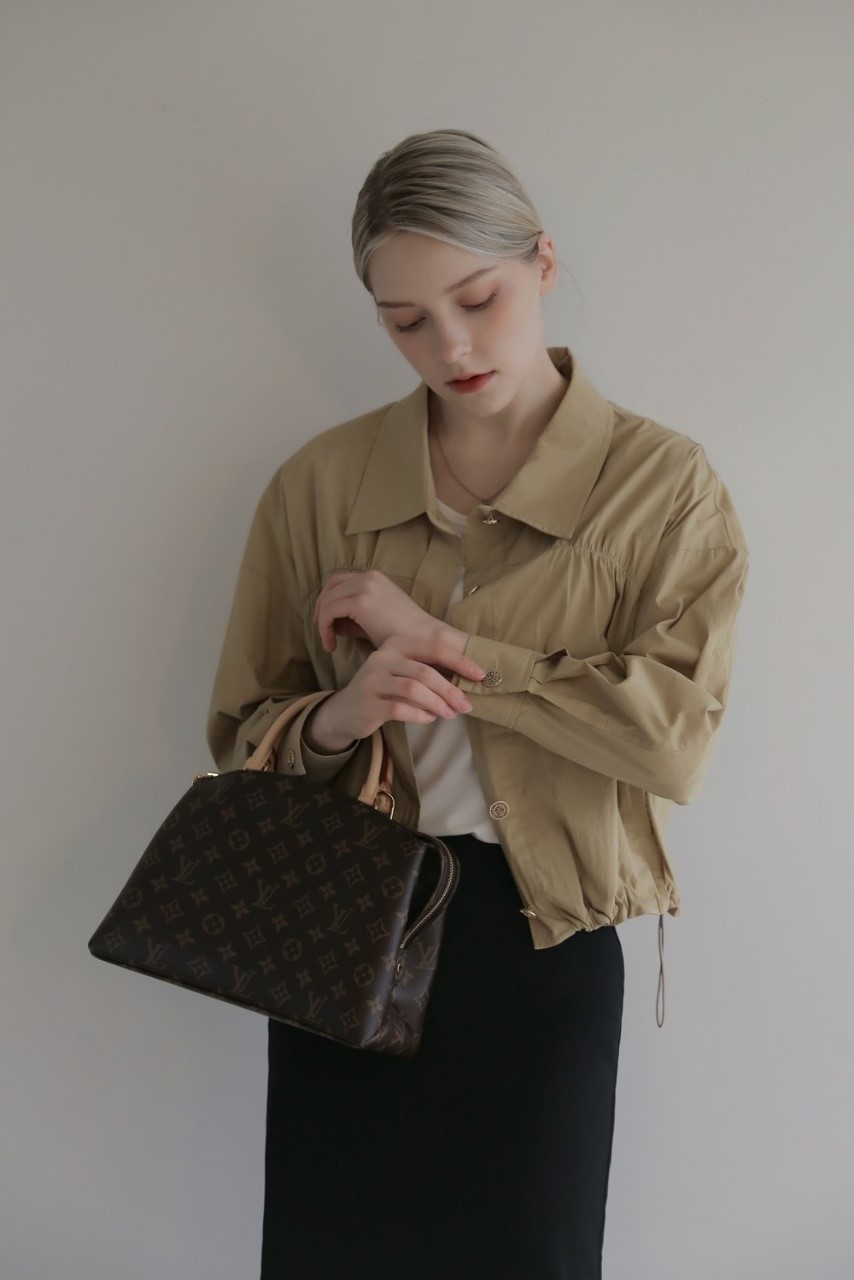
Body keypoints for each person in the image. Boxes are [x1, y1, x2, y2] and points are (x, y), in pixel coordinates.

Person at [205, 128, 750, 1280]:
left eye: (476, 298)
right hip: (343, 922)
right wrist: (340, 716)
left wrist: (446, 646)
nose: (448, 346)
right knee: (331, 1255)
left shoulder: (661, 486)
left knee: (527, 1255)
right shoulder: (319, 484)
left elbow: (672, 741)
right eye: (405, 320)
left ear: (542, 262)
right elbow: (240, 730)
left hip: (537, 936)